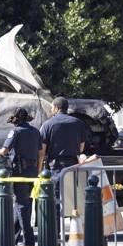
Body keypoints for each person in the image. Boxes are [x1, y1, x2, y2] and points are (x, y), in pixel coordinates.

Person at [0, 107, 42, 246]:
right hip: (33, 172)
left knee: (22, 206)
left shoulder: (15, 132)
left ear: (15, 119)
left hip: (19, 172)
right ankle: (12, 239)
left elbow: (4, 151)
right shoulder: (35, 132)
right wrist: (38, 171)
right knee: (24, 204)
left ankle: (28, 242)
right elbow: (41, 154)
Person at [38, 96, 86, 235]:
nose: (51, 109)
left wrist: (39, 169)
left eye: (52, 107)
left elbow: (42, 150)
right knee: (73, 202)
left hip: (55, 167)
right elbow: (81, 148)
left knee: (55, 202)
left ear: (56, 108)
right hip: (73, 166)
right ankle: (75, 236)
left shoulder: (48, 124)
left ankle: (56, 237)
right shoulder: (78, 123)